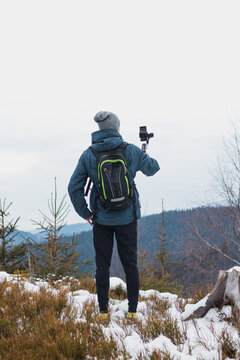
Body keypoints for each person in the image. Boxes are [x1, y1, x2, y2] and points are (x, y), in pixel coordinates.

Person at [68, 111, 160, 322]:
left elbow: (74, 187)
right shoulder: (130, 150)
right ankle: (133, 311)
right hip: (127, 218)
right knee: (131, 265)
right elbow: (153, 168)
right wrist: (144, 153)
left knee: (103, 265)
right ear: (116, 128)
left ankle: (103, 312)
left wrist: (86, 213)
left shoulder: (89, 154)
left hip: (101, 219)